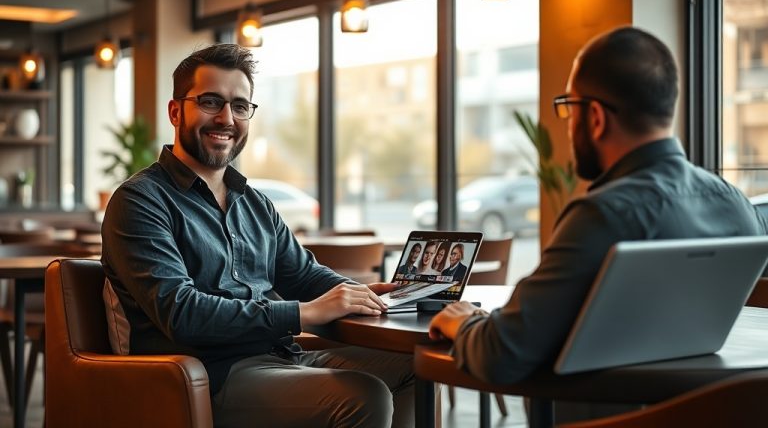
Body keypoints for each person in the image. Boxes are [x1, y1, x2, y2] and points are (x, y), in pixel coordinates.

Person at [428, 27, 768, 385]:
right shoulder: (736, 205)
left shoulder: (602, 217)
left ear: (595, 117)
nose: (568, 124)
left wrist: (464, 319)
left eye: (569, 108)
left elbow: (502, 354)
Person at [101, 43, 415, 428]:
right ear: (175, 111)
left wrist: (364, 294)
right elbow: (181, 312)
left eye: (239, 106)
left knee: (416, 366)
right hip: (202, 378)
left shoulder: (255, 202)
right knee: (363, 397)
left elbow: (304, 276)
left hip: (282, 358)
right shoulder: (140, 200)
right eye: (211, 102)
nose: (226, 119)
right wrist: (302, 312)